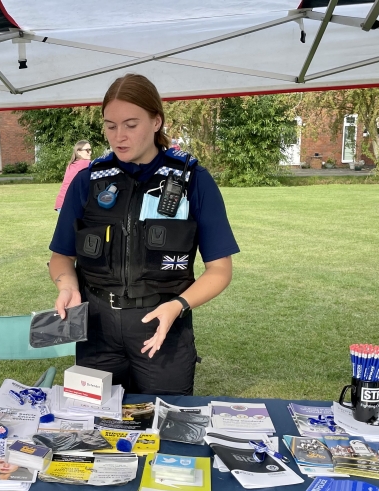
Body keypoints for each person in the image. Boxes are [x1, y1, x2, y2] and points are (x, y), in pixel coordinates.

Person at [48, 73, 239, 396]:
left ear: (156, 122)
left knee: (162, 429)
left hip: (161, 329)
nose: (118, 136)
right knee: (94, 432)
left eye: (131, 124)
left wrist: (178, 305)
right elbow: (61, 257)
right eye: (110, 126)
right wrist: (67, 286)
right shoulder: (89, 181)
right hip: (96, 330)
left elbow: (220, 270)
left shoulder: (193, 180)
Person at [55, 140, 92, 212]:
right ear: (78, 152)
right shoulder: (86, 163)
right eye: (87, 150)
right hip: (71, 203)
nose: (90, 152)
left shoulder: (71, 164)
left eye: (90, 150)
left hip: (61, 202)